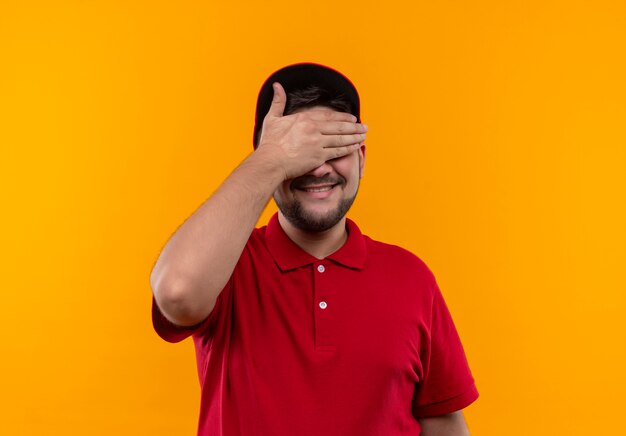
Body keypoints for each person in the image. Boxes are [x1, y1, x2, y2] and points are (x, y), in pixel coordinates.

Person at [150, 63, 478, 435]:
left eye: (334, 146)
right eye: (301, 150)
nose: (318, 168)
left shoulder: (411, 277)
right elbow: (177, 293)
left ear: (362, 159)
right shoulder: (227, 266)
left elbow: (442, 419)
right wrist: (272, 158)